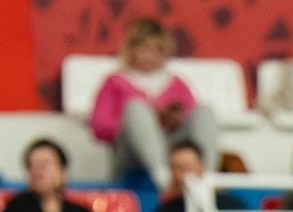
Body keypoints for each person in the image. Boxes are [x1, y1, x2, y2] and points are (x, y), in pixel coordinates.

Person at [89, 19, 220, 188]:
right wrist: (145, 123)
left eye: (158, 51)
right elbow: (100, 127)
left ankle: (207, 175)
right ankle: (163, 176)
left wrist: (175, 120)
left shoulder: (178, 83)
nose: (150, 56)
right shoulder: (115, 82)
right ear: (131, 50)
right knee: (135, 108)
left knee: (204, 111)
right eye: (144, 49)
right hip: (131, 154)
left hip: (173, 146)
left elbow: (193, 121)